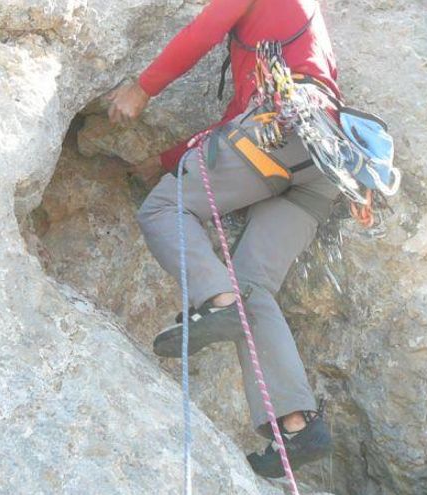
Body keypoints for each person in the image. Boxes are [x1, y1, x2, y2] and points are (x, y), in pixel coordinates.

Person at [108, 0, 340, 478]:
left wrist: (141, 88)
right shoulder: (304, 29)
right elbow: (235, 121)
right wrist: (165, 160)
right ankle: (297, 425)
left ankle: (218, 301)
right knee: (252, 286)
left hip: (280, 128)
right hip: (324, 163)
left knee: (163, 208)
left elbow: (203, 30)